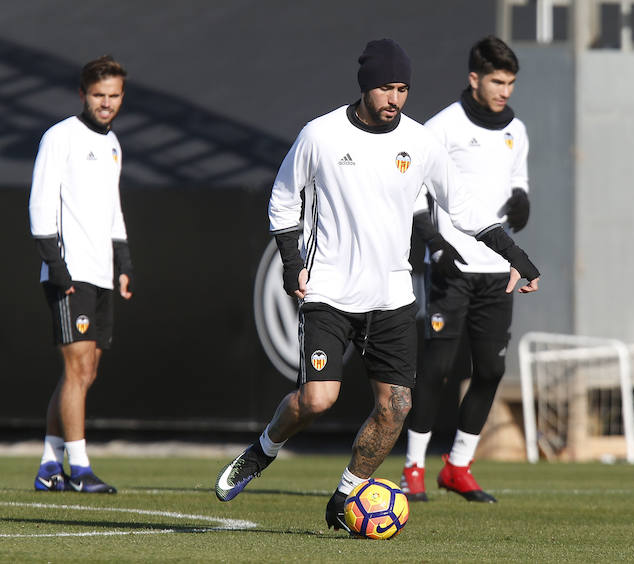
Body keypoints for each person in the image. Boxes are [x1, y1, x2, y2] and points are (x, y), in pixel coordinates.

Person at [214, 38, 540, 533]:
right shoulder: (320, 136)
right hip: (329, 292)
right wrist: (290, 263)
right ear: (366, 87)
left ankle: (346, 495)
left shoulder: (421, 142)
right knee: (317, 400)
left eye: (403, 88)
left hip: (391, 297)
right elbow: (284, 200)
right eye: (386, 88)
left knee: (397, 408)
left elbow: (466, 209)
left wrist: (517, 255)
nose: (395, 98)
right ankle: (263, 451)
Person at [400, 36, 530, 503]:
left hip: (497, 271)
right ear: (474, 78)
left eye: (511, 82)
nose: (505, 91)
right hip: (454, 266)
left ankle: (457, 466)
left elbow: (518, 183)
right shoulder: (442, 128)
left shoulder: (517, 130)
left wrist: (522, 201)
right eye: (497, 81)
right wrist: (433, 241)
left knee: (491, 370)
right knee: (436, 370)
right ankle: (413, 468)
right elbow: (413, 187)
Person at [29, 55, 134, 494]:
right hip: (69, 271)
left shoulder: (113, 145)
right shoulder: (60, 137)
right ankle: (81, 468)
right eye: (98, 96)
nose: (106, 104)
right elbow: (40, 204)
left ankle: (49, 464)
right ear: (83, 94)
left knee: (87, 371)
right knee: (76, 370)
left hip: (102, 271)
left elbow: (113, 212)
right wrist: (57, 266)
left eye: (113, 96)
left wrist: (124, 265)